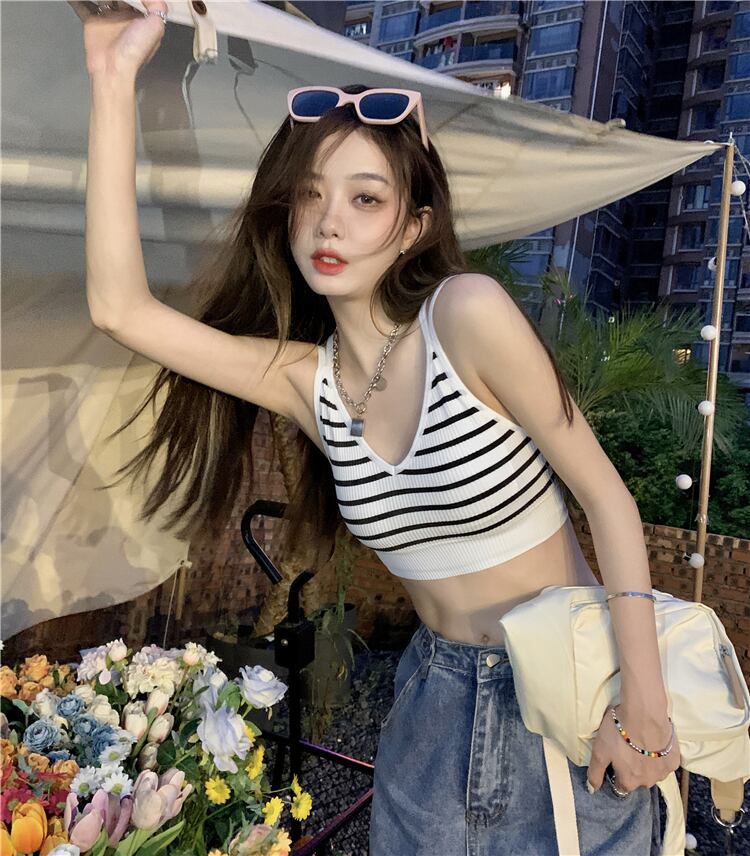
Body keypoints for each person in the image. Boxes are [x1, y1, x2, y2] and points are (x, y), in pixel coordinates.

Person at [74, 1, 680, 852]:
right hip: (432, 703)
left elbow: (609, 500)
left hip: (570, 702)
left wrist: (643, 705)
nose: (330, 222)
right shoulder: (307, 382)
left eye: (366, 198)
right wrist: (112, 73)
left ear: (415, 227)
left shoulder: (465, 315)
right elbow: (119, 309)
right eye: (310, 195)